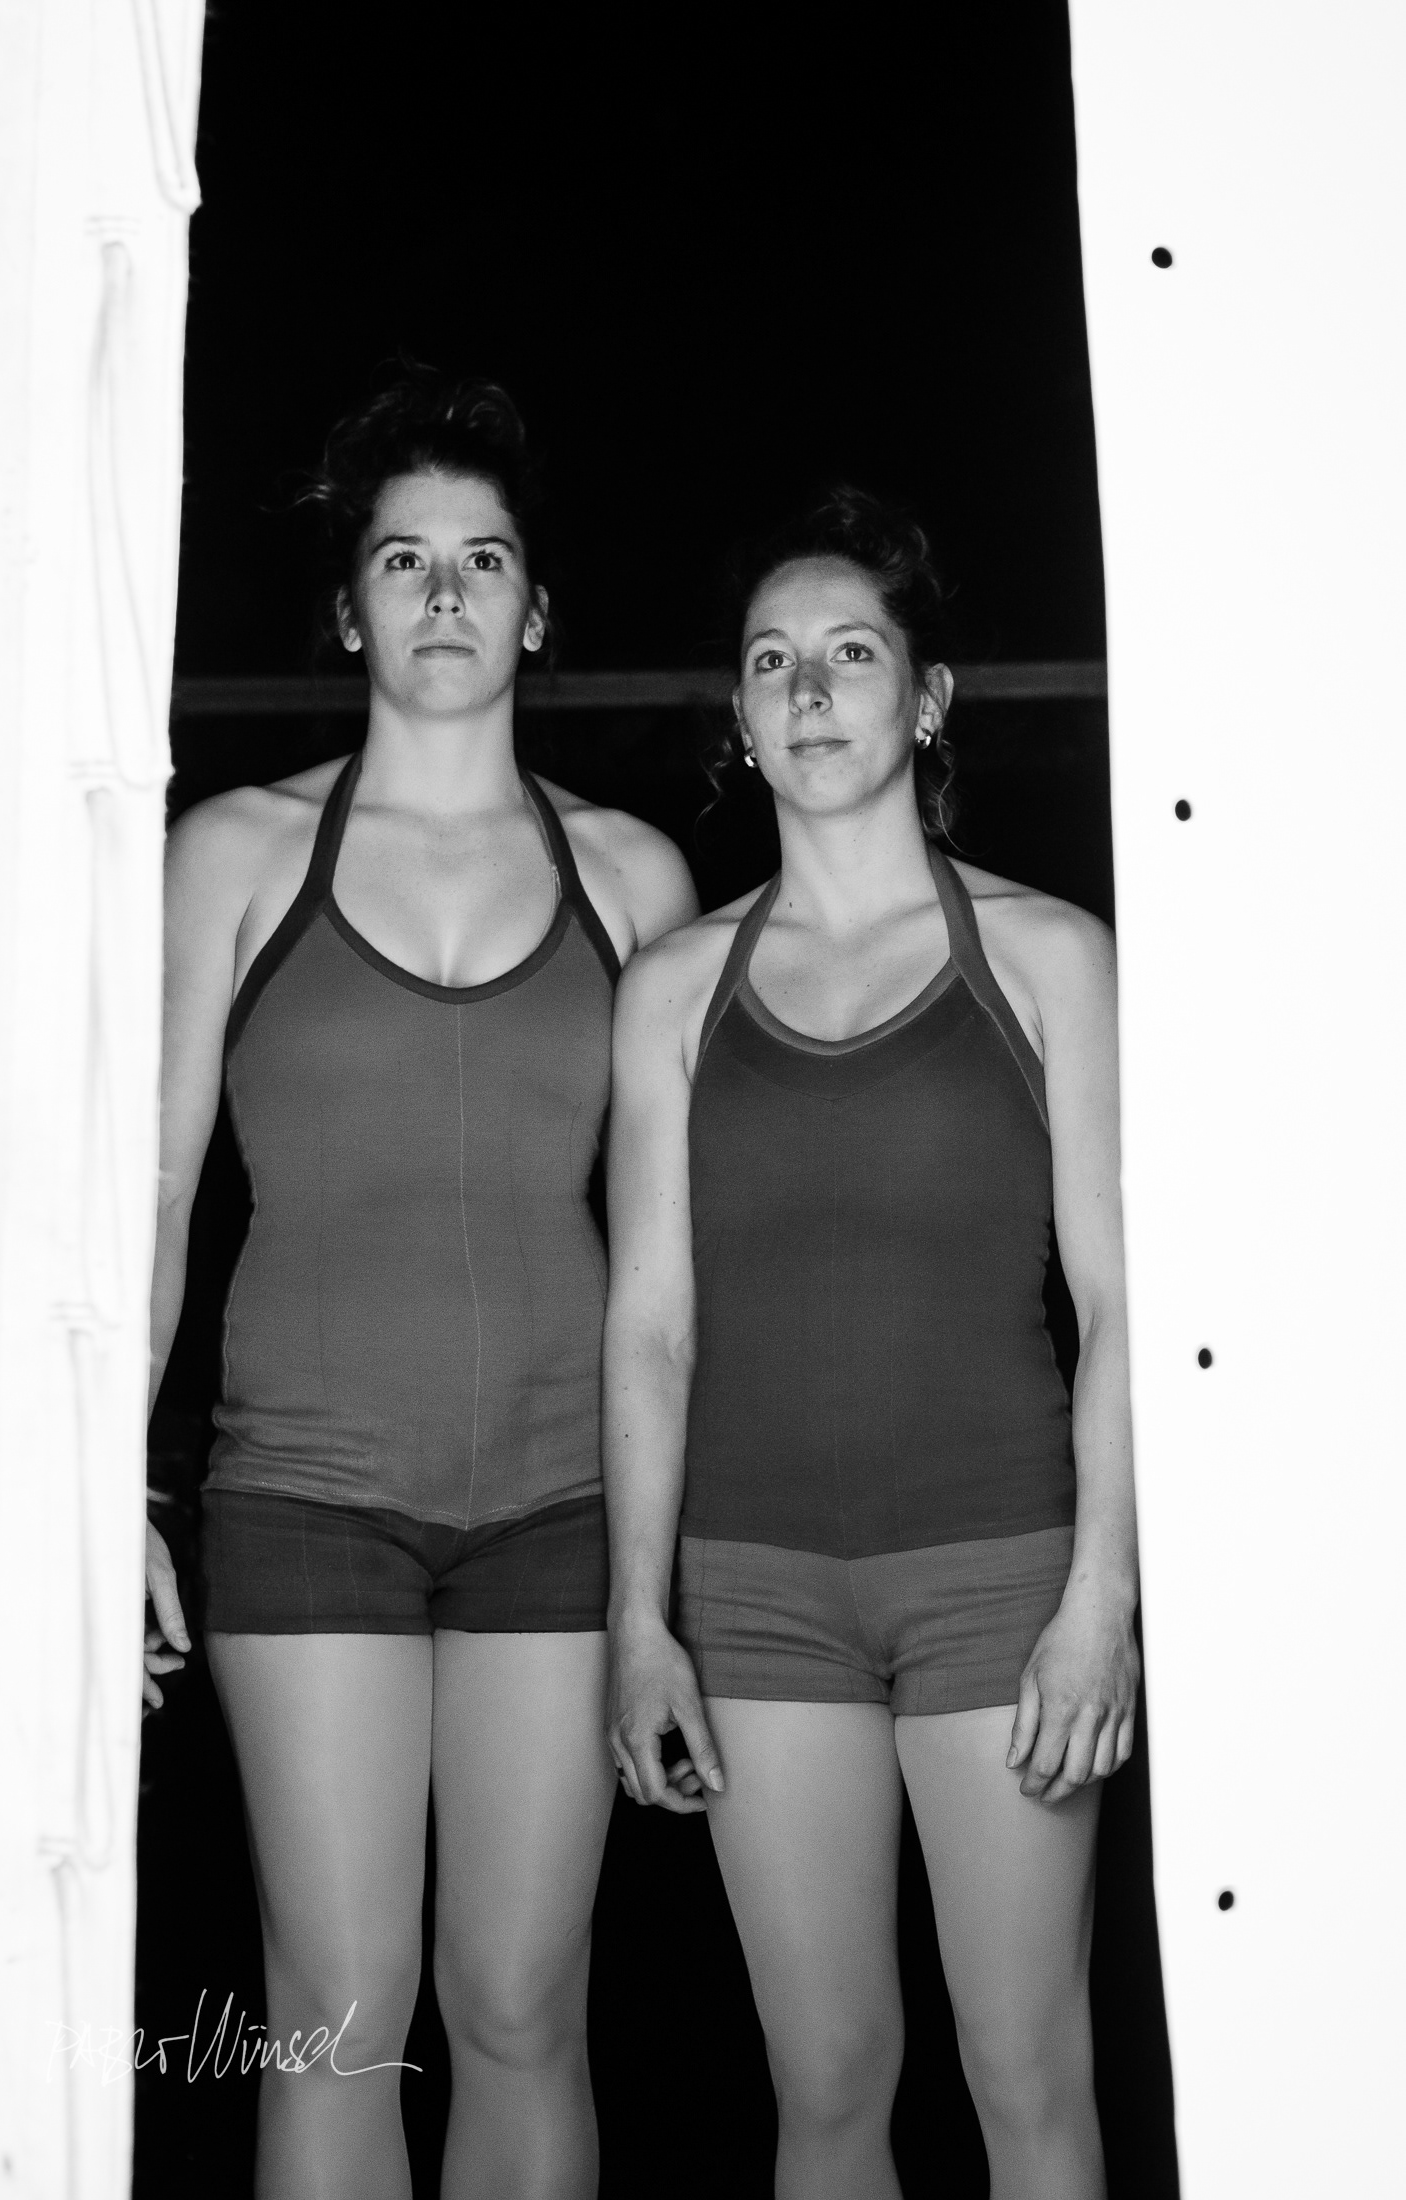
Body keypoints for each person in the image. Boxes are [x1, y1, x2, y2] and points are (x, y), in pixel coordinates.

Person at [143, 368, 697, 2200]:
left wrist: (679, 1568)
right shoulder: (233, 855)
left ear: (536, 612)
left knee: (525, 2008)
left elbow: (679, 1259)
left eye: (482, 560)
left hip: (561, 1502)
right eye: (404, 559)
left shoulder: (631, 877)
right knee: (338, 2009)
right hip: (307, 1495)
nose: (444, 593)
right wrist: (110, 1483)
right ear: (349, 610)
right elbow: (152, 1195)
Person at [603, 490, 1138, 2200]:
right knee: (826, 2085)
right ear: (741, 715)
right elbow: (651, 1326)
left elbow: (1123, 1305)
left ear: (929, 696)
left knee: (1026, 2074)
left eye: (850, 654)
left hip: (1001, 1583)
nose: (811, 690)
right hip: (753, 1593)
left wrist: (1103, 1599)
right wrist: (638, 1619)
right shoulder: (674, 988)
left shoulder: (1049, 957)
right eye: (774, 663)